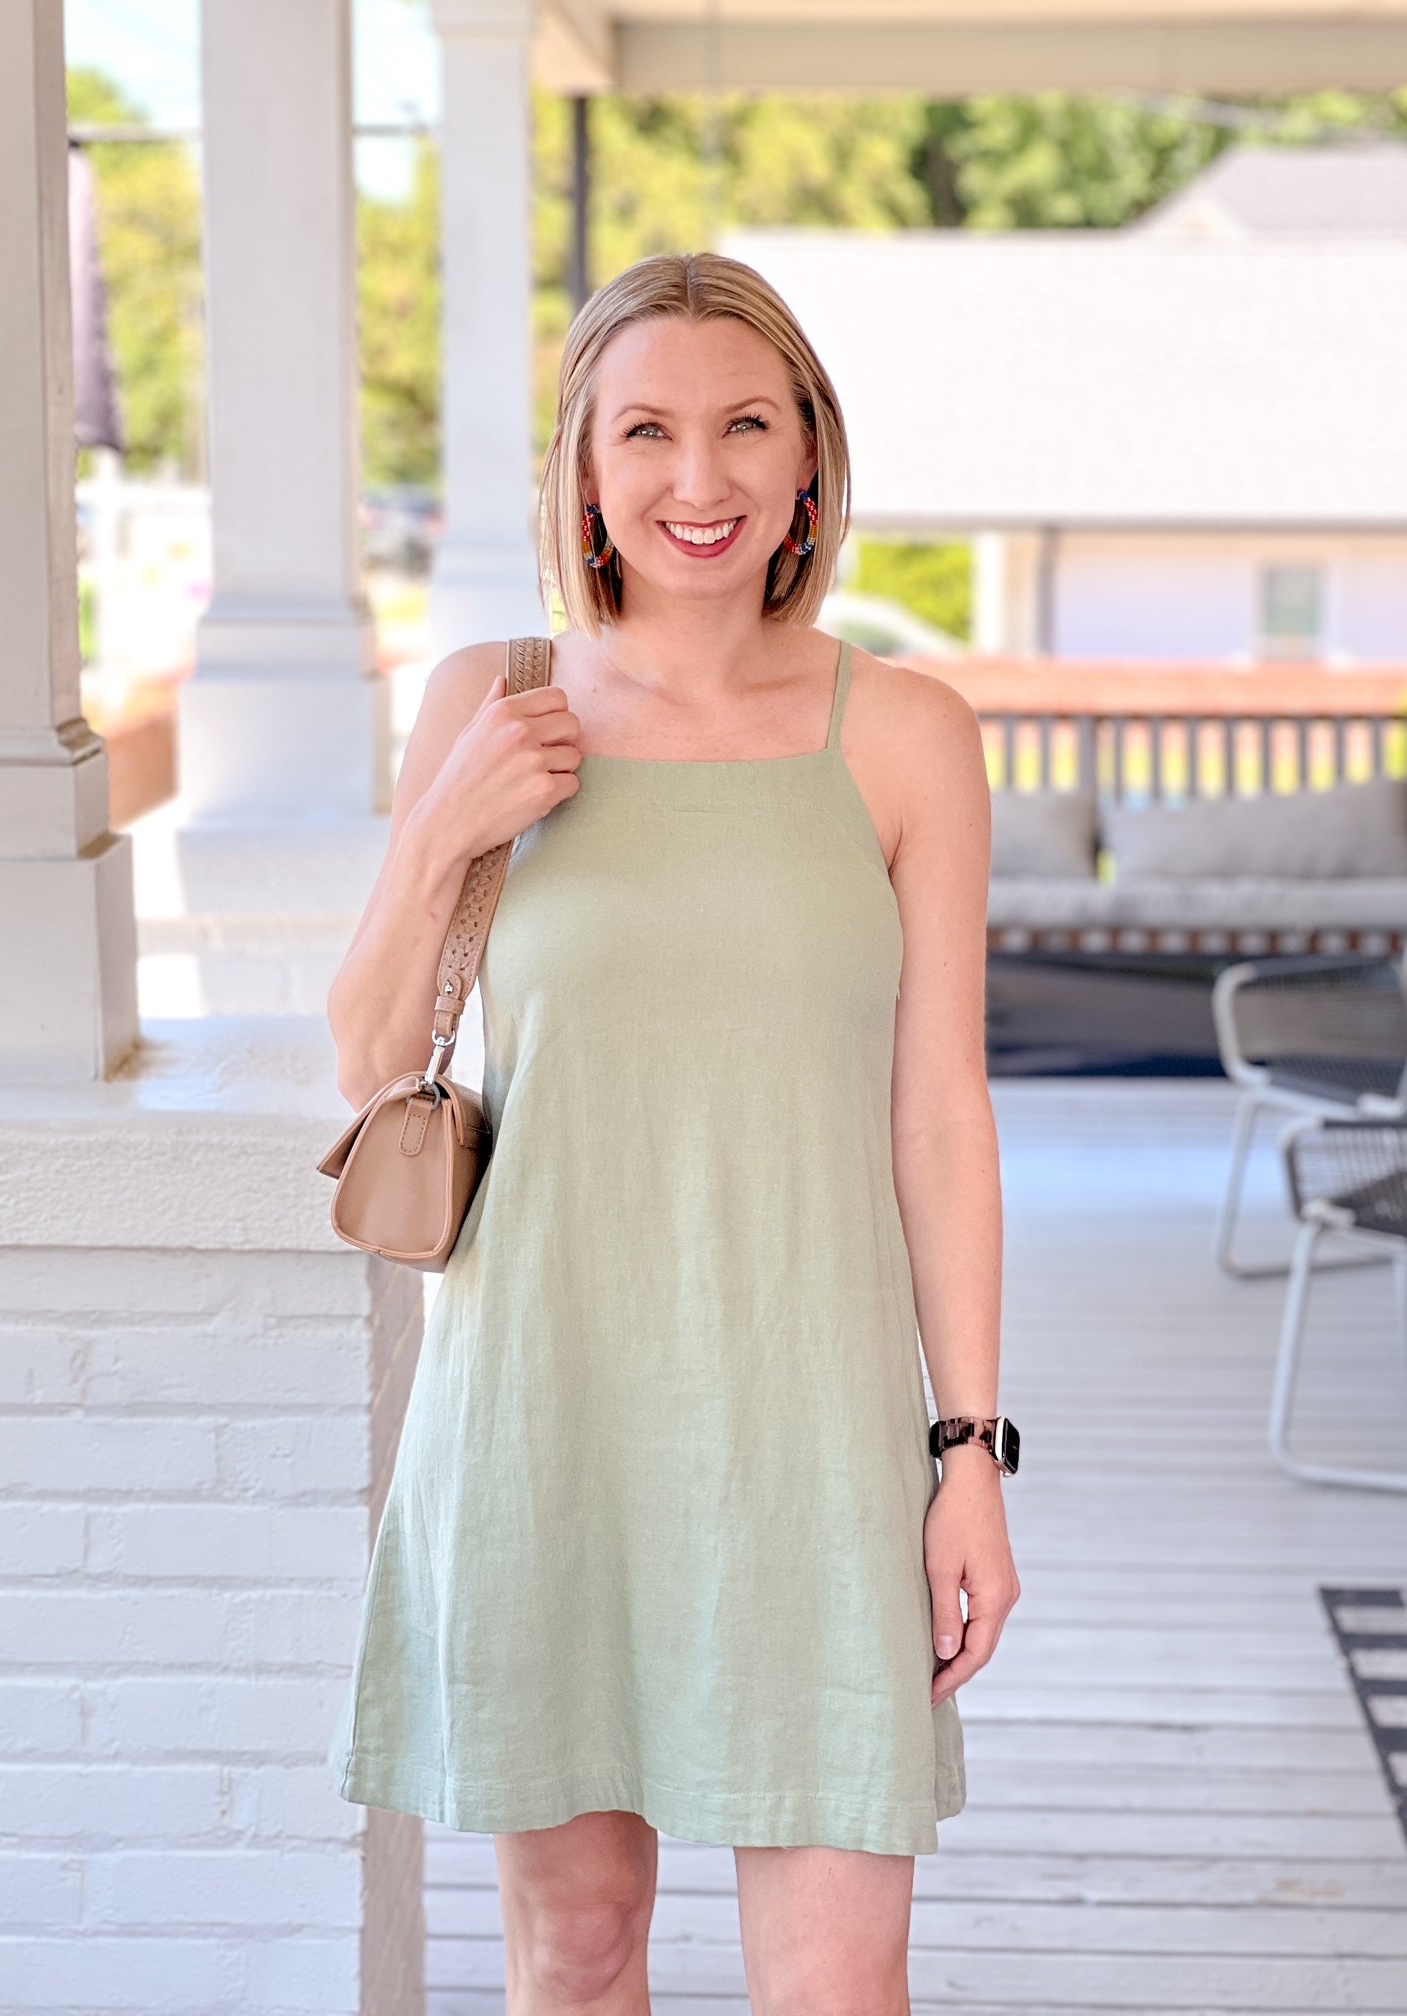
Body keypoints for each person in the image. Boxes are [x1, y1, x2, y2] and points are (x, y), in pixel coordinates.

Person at [325, 250, 1018, 2015]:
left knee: (840, 1983)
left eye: (744, 426)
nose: (697, 478)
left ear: (808, 458)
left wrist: (969, 1455)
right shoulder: (487, 700)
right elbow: (368, 1059)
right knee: (576, 1955)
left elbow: (942, 1117)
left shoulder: (907, 735)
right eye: (645, 430)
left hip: (815, 1429)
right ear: (582, 464)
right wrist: (444, 831)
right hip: (545, 1417)